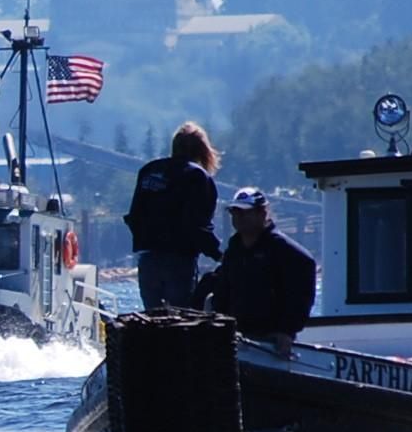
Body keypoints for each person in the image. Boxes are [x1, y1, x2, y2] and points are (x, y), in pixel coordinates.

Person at [195, 187, 317, 357]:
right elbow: (223, 291)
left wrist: (286, 331)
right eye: (235, 212)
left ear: (262, 213)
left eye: (245, 212)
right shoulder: (234, 251)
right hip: (238, 337)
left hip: (270, 340)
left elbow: (300, 294)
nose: (238, 217)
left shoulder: (284, 250)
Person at [124, 121, 222, 310]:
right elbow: (198, 226)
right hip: (179, 261)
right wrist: (219, 254)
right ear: (202, 150)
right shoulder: (197, 177)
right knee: (182, 319)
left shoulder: (150, 171)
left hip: (148, 258)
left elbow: (134, 216)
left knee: (153, 319)